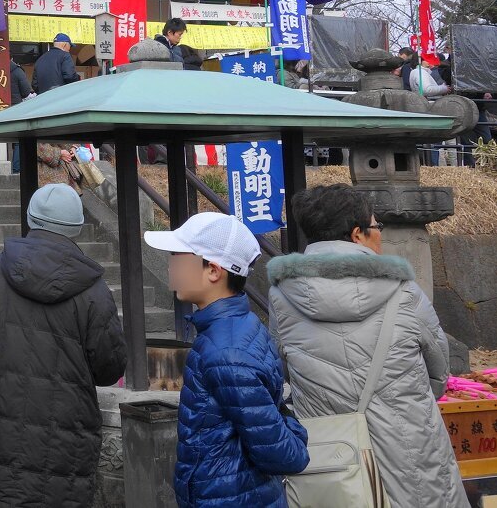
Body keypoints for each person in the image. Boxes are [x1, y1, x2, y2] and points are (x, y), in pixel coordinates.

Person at [268, 184, 468, 507]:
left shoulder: (281, 297)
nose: (380, 234)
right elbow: (439, 372)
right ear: (357, 234)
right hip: (411, 458)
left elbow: (283, 371)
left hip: (332, 464)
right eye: (377, 226)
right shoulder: (404, 292)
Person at [0, 183, 126, 507]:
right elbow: (109, 368)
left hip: (2, 433)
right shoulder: (94, 290)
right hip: (65, 442)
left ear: (30, 218)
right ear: (77, 228)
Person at [144, 213, 309, 507]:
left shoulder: (226, 352)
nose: (171, 266)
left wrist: (292, 430)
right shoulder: (232, 330)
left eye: (178, 256)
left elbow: (285, 455)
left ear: (213, 271)